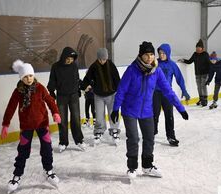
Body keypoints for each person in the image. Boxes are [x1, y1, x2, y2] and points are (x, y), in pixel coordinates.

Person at [110, 41, 189, 179]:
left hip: (147, 110)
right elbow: (121, 90)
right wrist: (116, 108)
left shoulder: (156, 71)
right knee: (134, 138)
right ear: (141, 56)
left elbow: (167, 90)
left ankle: (147, 166)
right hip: (130, 110)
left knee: (149, 138)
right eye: (147, 55)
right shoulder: (132, 70)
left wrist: (180, 108)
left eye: (152, 54)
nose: (150, 57)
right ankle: (132, 167)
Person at [1, 60, 61, 193]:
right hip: (26, 126)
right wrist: (6, 124)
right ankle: (17, 176)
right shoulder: (18, 91)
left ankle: (49, 171)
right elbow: (10, 107)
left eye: (31, 76)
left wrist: (55, 112)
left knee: (46, 148)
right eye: (25, 76)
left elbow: (50, 100)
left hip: (42, 123)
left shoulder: (40, 88)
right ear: (21, 78)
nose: (29, 79)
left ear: (34, 75)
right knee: (22, 151)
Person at [47, 47, 86, 152]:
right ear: (63, 57)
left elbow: (77, 79)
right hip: (62, 97)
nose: (70, 60)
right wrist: (51, 92)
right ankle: (63, 142)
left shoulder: (74, 66)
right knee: (62, 121)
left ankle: (79, 140)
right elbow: (52, 80)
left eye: (72, 59)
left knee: (76, 119)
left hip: (73, 96)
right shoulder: (56, 67)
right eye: (68, 58)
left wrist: (81, 87)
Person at [81, 48, 121, 145]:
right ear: (98, 58)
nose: (102, 61)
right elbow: (87, 78)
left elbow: (117, 78)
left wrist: (119, 90)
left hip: (111, 94)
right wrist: (82, 87)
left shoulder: (111, 65)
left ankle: (114, 130)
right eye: (101, 59)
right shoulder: (94, 66)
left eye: (104, 59)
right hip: (98, 95)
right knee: (99, 114)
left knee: (113, 113)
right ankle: (99, 131)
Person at [153, 43, 190, 147]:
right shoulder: (155, 63)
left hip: (167, 93)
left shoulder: (172, 65)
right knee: (154, 114)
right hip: (155, 93)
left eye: (163, 53)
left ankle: (171, 136)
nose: (161, 55)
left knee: (169, 115)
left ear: (168, 53)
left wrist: (184, 90)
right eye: (160, 53)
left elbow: (179, 78)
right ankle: (151, 133)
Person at [178, 39, 210, 106]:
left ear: (202, 48)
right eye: (196, 48)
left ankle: (205, 100)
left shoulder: (205, 54)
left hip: (205, 73)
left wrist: (209, 73)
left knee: (203, 86)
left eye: (199, 48)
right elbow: (190, 61)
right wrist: (183, 60)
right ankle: (201, 99)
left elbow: (209, 64)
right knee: (199, 87)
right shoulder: (195, 54)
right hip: (197, 74)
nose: (197, 49)